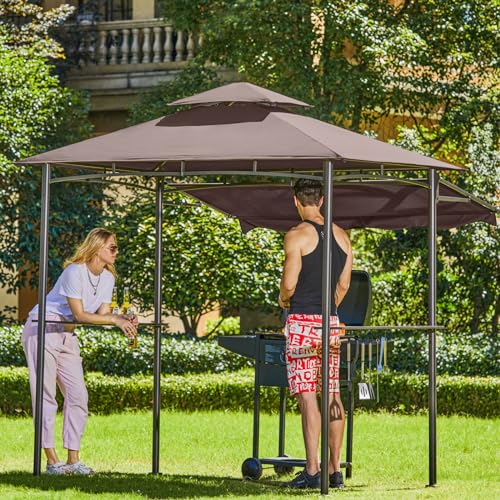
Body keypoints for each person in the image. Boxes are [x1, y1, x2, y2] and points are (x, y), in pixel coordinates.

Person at [22, 228, 138, 475]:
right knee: (46, 396)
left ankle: (73, 460)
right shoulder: (74, 271)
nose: (116, 252)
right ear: (96, 247)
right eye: (112, 247)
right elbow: (80, 314)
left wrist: (122, 317)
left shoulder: (108, 278)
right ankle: (52, 461)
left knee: (78, 396)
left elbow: (103, 315)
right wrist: (115, 319)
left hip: (67, 334)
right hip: (43, 329)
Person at [279, 179, 352, 489]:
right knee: (332, 393)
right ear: (322, 200)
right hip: (331, 323)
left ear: (296, 201)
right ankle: (335, 470)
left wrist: (284, 300)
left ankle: (312, 470)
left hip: (302, 323)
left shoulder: (296, 235)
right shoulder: (343, 236)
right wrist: (328, 307)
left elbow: (289, 284)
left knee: (308, 395)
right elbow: (344, 284)